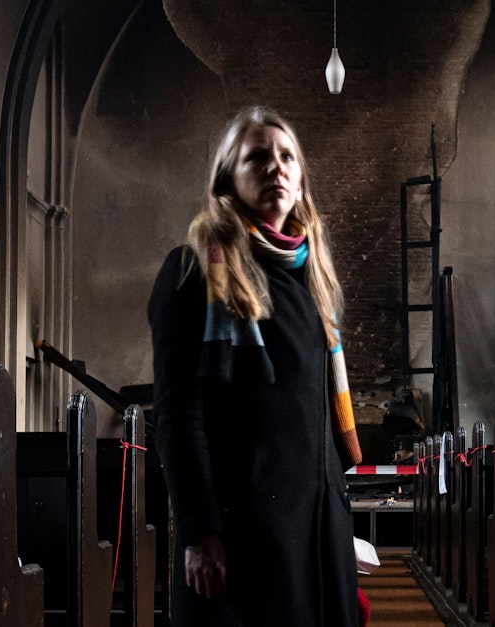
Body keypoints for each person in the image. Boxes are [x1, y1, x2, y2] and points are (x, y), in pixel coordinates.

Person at [148, 106, 362, 626]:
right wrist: (200, 533)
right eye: (257, 157)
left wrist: (337, 533)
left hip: (312, 535)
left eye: (287, 156)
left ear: (302, 177)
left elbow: (313, 426)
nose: (276, 167)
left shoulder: (312, 283)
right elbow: (180, 415)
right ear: (228, 177)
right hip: (242, 536)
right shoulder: (194, 270)